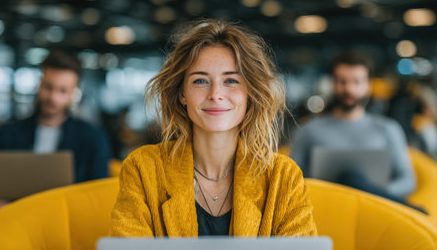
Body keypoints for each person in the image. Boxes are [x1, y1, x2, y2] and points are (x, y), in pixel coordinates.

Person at [110, 19, 317, 237]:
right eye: (200, 81)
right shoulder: (143, 169)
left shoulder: (282, 176)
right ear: (182, 94)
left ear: (250, 93)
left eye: (231, 81)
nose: (215, 94)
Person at [0, 49, 111, 211]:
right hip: (15, 218)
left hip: (67, 224)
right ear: (39, 84)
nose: (53, 97)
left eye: (62, 91)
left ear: (73, 93)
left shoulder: (93, 139)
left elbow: (98, 195)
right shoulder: (6, 134)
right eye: (48, 87)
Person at [290, 50, 417, 205]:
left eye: (356, 82)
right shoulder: (309, 129)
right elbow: (291, 180)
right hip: (326, 207)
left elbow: (407, 181)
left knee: (353, 180)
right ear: (333, 83)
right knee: (350, 179)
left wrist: (368, 194)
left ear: (368, 86)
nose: (349, 89)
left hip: (375, 209)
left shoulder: (388, 129)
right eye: (342, 81)